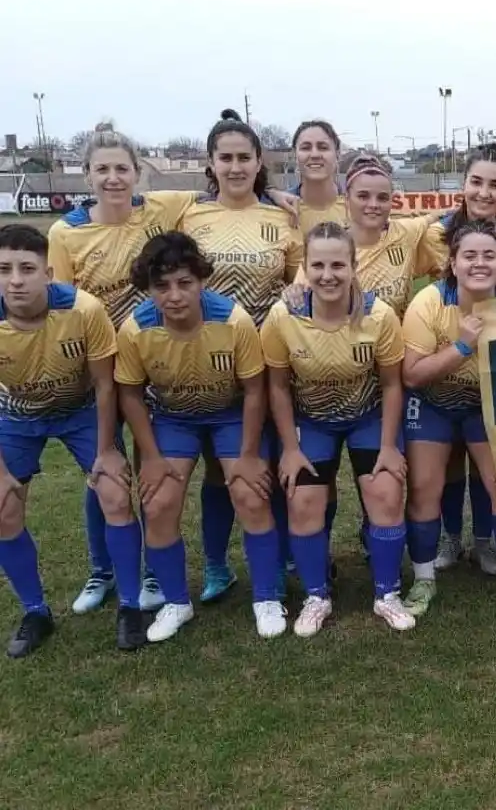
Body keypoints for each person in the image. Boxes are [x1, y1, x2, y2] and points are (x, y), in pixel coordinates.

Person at [46, 123, 198, 616]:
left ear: (137, 173)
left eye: (122, 169)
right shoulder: (65, 233)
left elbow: (217, 193)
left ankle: (153, 570)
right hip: (99, 370)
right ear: (87, 175)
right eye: (102, 169)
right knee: (104, 469)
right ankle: (102, 569)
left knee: (150, 467)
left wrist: (277, 193)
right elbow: (62, 305)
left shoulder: (160, 209)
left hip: (154, 362)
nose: (113, 178)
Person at [115, 233, 285, 642]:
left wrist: (248, 454)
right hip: (174, 418)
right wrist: (151, 457)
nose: (174, 295)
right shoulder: (136, 328)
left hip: (231, 413)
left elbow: (255, 389)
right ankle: (177, 602)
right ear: (148, 288)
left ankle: (266, 597)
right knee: (158, 502)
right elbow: (131, 395)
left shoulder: (233, 321)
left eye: (184, 283)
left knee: (250, 494)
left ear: (201, 281)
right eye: (161, 286)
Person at [263, 222, 414, 636]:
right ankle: (317, 596)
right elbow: (277, 386)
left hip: (367, 417)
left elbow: (392, 384)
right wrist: (290, 449)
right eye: (318, 265)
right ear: (305, 267)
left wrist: (389, 447)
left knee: (386, 492)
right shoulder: (283, 316)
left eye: (337, 265)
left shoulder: (379, 315)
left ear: (353, 266)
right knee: (302, 501)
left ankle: (387, 594)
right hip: (312, 421)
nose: (327, 275)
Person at [177, 109, 302, 604]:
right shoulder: (187, 214)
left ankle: (283, 558)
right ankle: (215, 566)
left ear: (258, 161)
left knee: (268, 461)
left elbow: (299, 282)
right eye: (225, 158)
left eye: (243, 158)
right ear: (210, 163)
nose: (234, 167)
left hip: (269, 361)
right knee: (219, 468)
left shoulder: (282, 217)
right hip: (208, 361)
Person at [0, 225, 140, 656]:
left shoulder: (84, 309)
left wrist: (107, 451)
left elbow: (104, 384)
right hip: (17, 414)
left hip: (81, 410)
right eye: (4, 269)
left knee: (115, 493)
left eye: (27, 269)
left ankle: (131, 607)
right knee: (3, 507)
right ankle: (35, 612)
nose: (15, 280)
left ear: (48, 273)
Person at [400, 220, 496, 617]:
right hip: (433, 402)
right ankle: (423, 579)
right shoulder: (429, 302)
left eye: (489, 255)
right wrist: (461, 347)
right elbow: (412, 375)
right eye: (469, 255)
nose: (479, 263)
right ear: (453, 263)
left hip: (485, 405)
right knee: (424, 487)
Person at [421, 144, 496, 577]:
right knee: (448, 461)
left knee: (492, 464)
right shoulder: (433, 233)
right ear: (463, 184)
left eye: (495, 184)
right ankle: (451, 537)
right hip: (442, 348)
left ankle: (485, 542)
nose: (484, 192)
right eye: (476, 182)